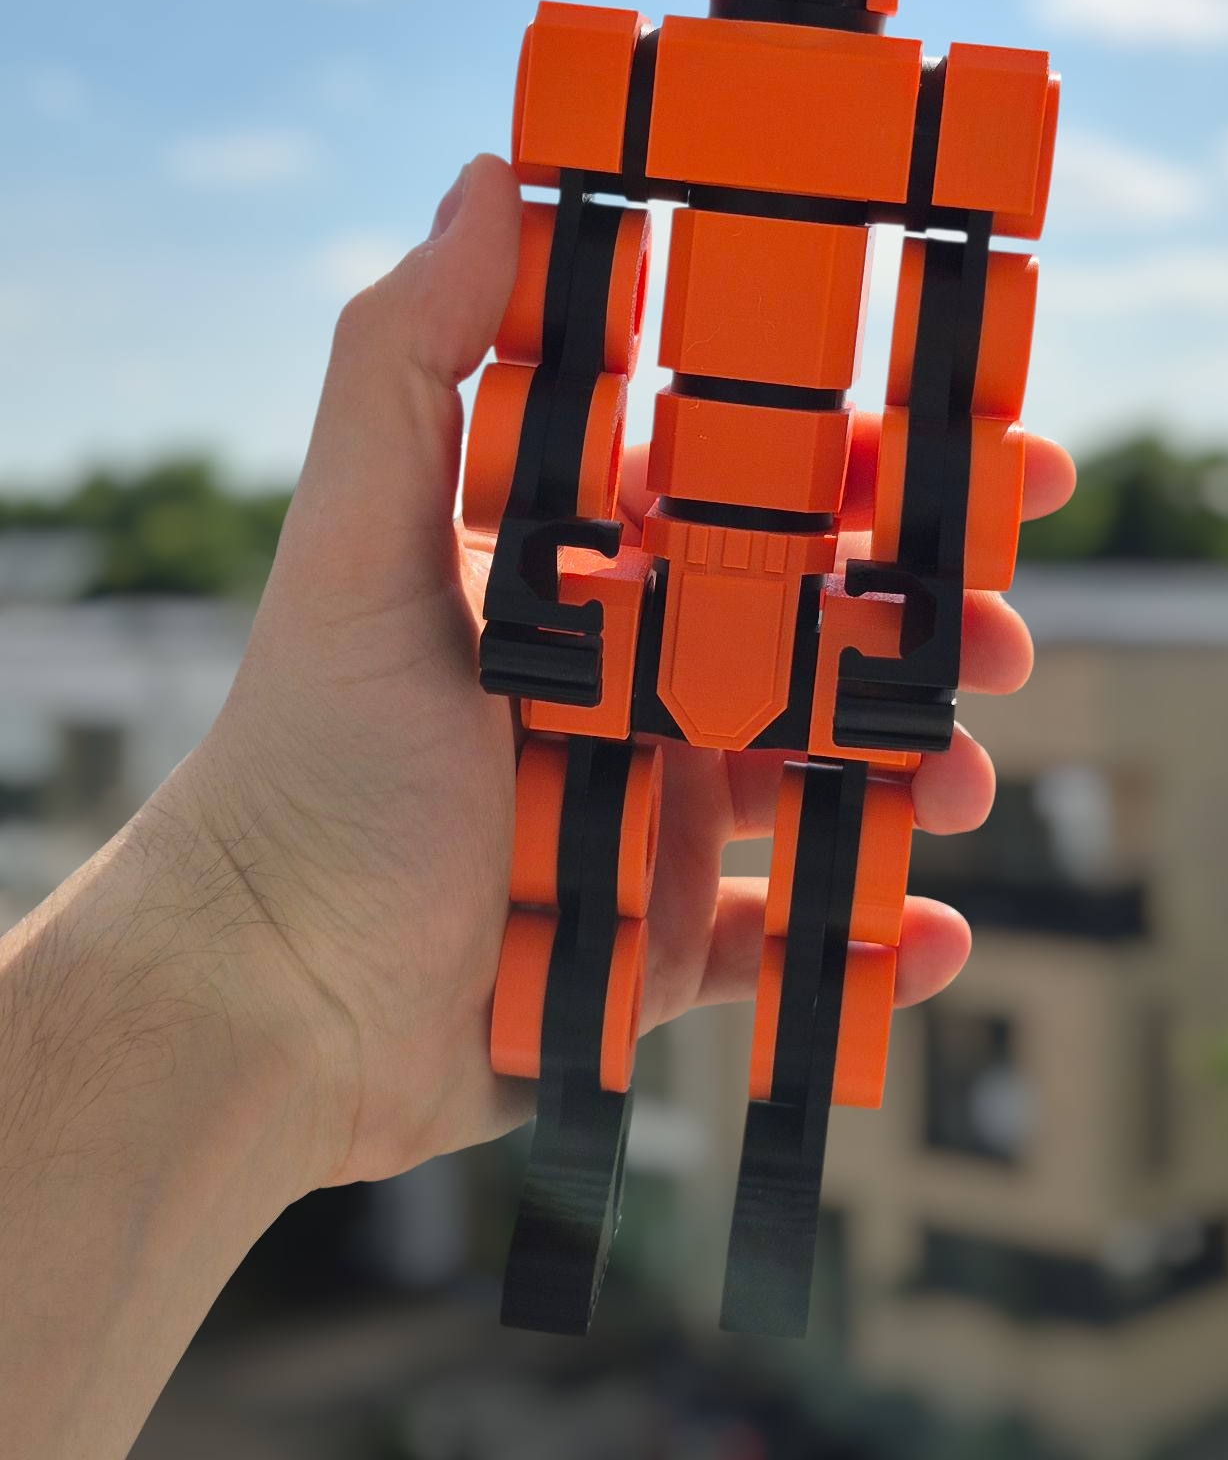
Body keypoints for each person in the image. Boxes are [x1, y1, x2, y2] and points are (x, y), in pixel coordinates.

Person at [0, 154, 1074, 1458]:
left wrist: (262, 943)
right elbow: (568, 361)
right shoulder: (660, 155)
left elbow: (946, 382)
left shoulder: (900, 168)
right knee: (600, 962)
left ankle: (750, 1246)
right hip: (617, 631)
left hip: (767, 634)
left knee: (797, 963)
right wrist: (269, 930)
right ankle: (635, 1255)